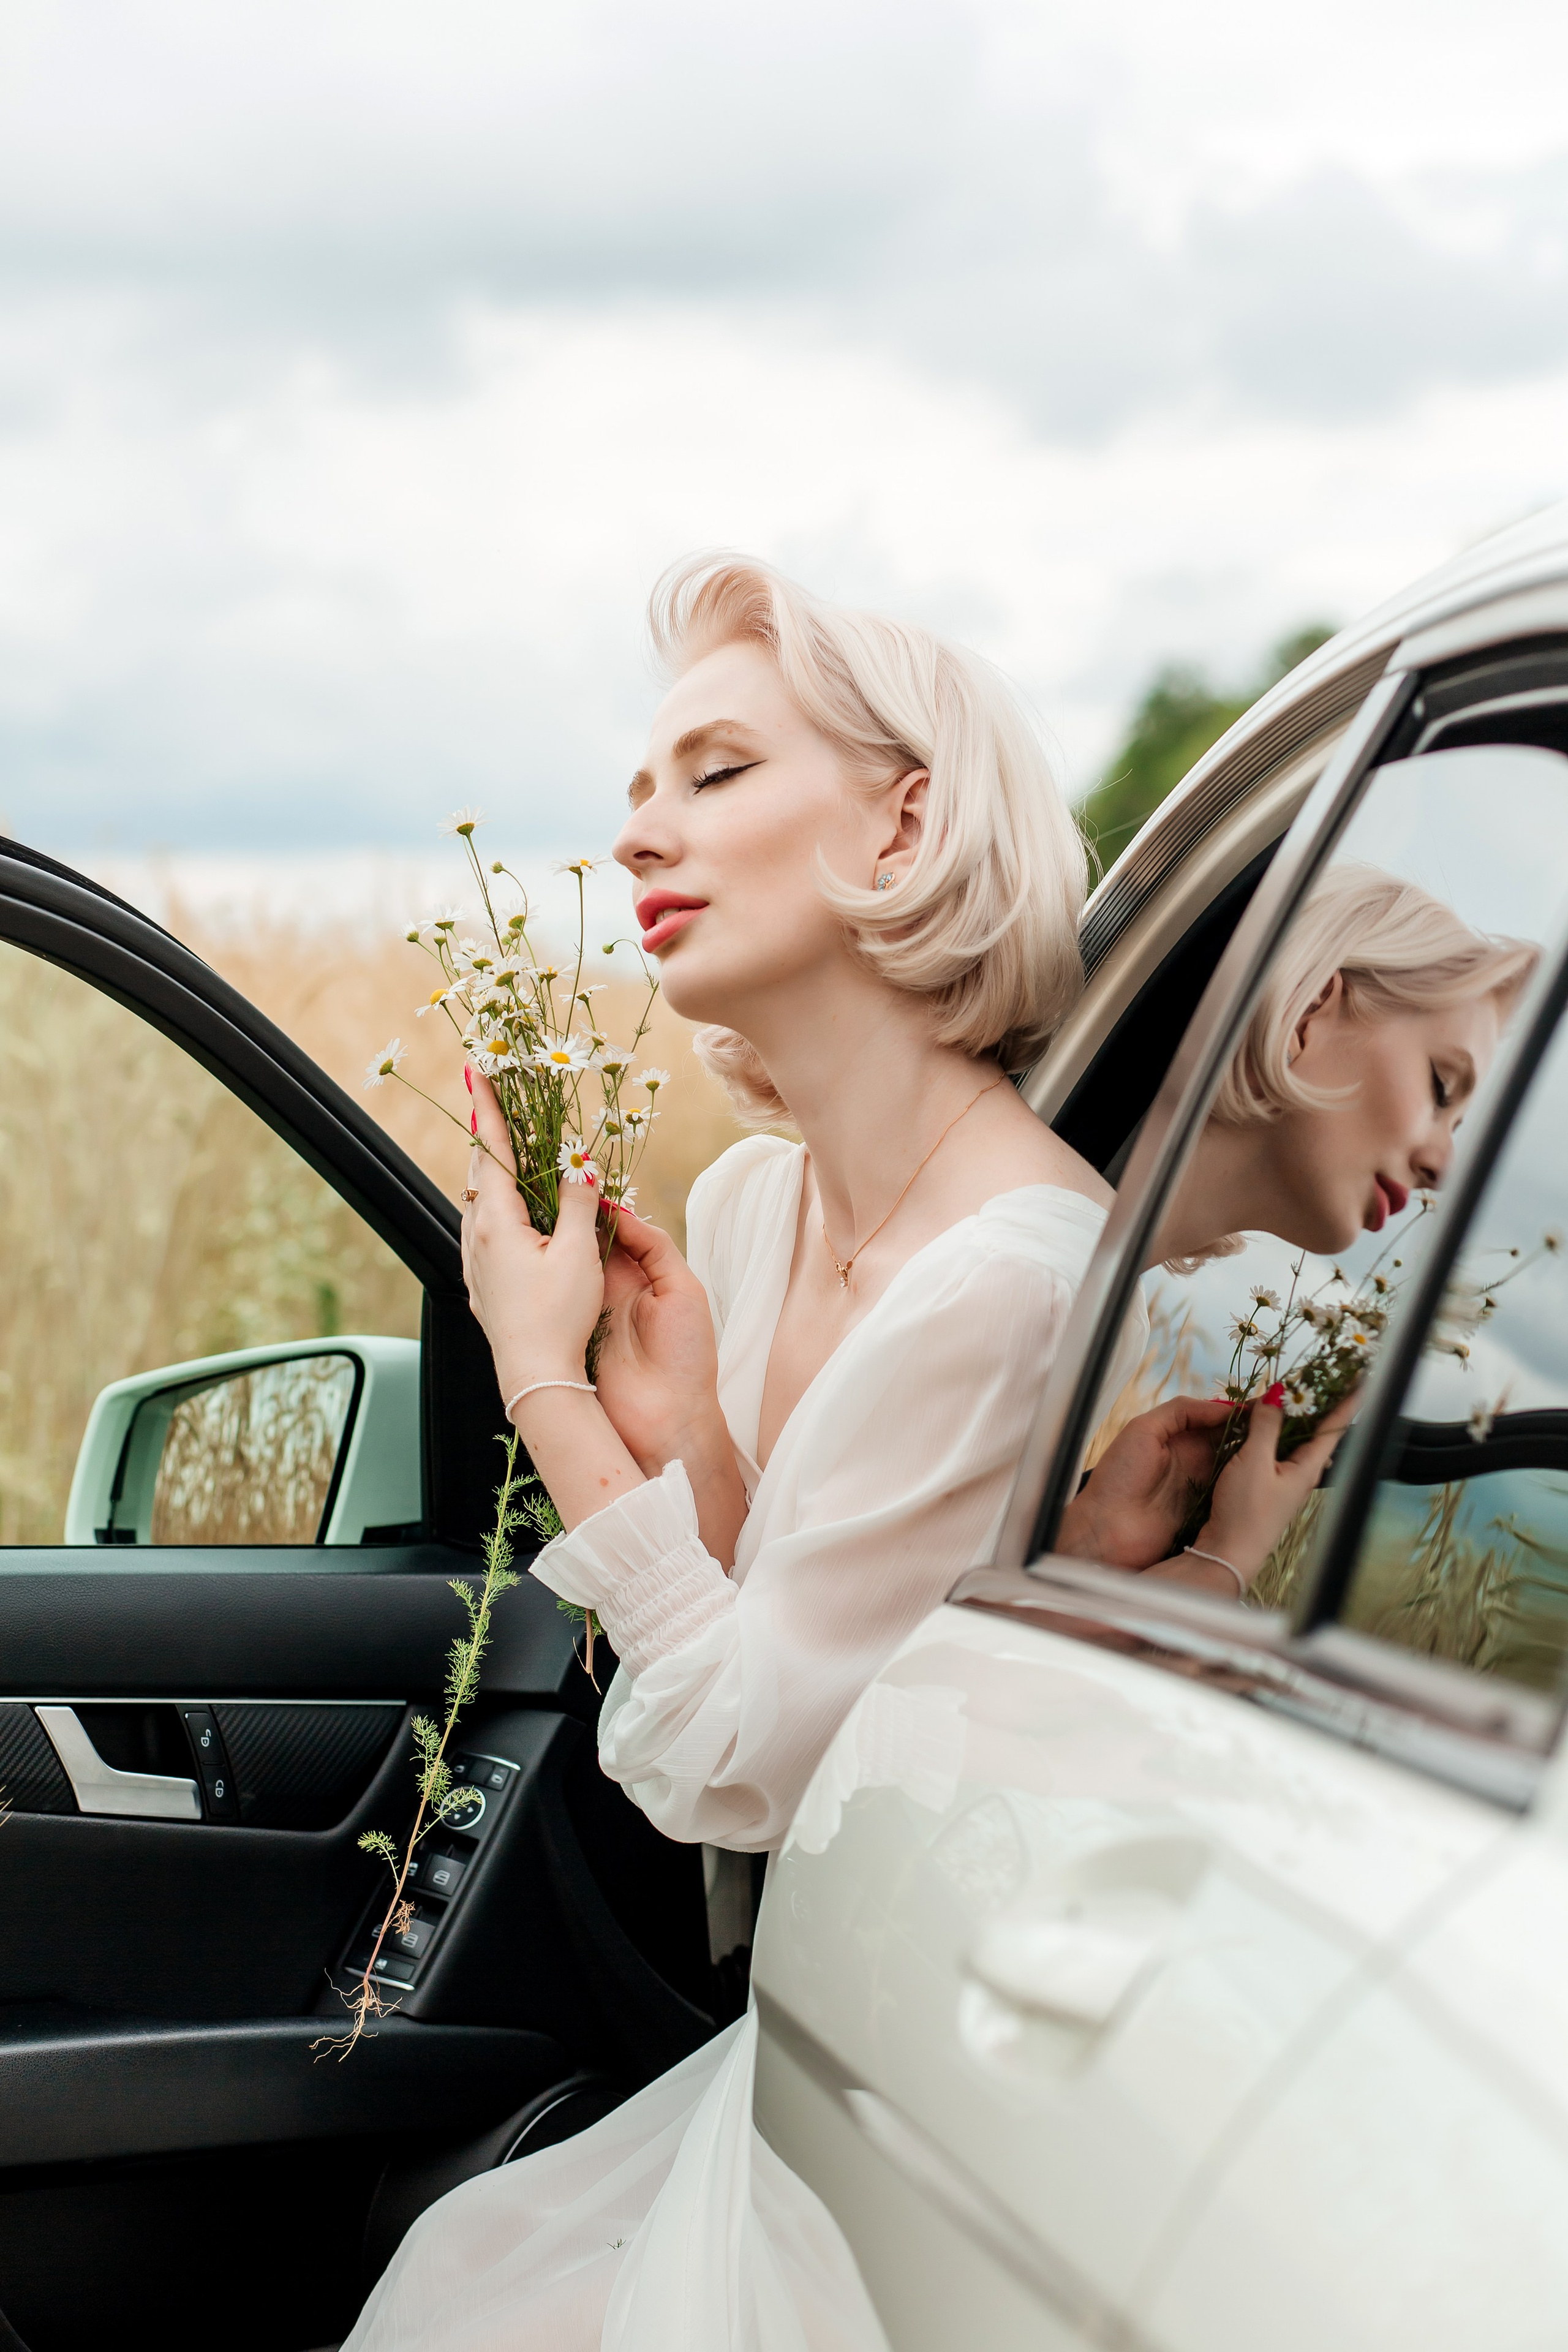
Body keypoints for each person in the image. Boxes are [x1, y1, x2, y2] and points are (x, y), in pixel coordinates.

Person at [344, 554, 1112, 2351]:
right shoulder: (753, 1205)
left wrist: (539, 1379)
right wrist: (677, 1415)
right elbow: (784, 1620)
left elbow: (739, 1761)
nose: (638, 836)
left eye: (714, 771)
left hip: (931, 2093)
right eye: (633, 792)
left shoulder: (1015, 1275)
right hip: (805, 2047)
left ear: (903, 821)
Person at [1059, 864, 1537, 1596]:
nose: (1444, 1163)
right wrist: (1225, 1560)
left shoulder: (1097, 1291)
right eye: (1440, 1088)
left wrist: (1090, 1543)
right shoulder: (1046, 1273)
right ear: (1311, 1010)